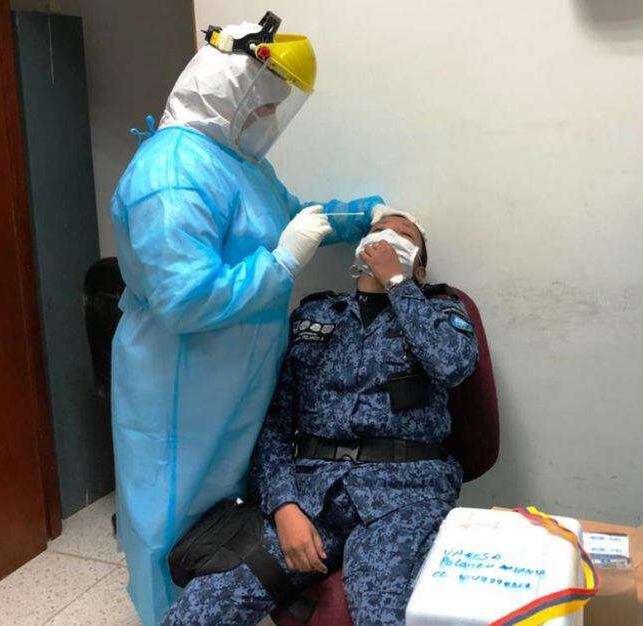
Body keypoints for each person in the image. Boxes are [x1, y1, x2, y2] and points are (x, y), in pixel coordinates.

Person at [110, 13, 385, 625]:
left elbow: (292, 217)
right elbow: (184, 300)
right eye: (263, 106)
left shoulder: (239, 163)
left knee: (223, 508)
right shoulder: (171, 172)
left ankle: (216, 607)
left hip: (234, 377)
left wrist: (365, 216)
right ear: (229, 94)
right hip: (178, 383)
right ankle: (167, 616)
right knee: (170, 512)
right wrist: (284, 261)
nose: (268, 119)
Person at [162, 210, 479, 626]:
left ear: (419, 265)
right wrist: (283, 506)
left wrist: (398, 283)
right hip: (312, 492)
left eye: (404, 235)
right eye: (379, 230)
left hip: (404, 493)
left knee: (383, 616)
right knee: (201, 608)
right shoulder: (315, 316)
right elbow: (275, 424)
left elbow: (453, 366)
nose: (388, 237)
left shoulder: (441, 311)